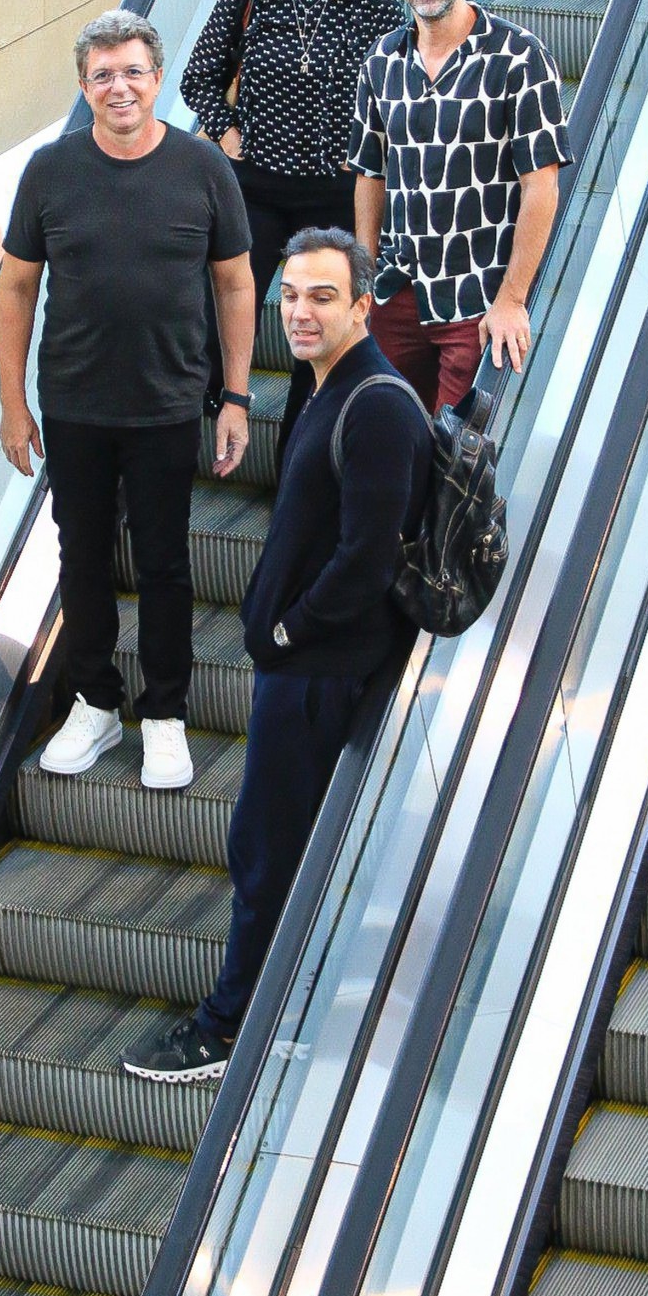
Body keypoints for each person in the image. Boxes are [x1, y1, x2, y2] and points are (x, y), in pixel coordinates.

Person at [120, 227, 431, 1079]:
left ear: (363, 305)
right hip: (302, 667)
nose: (298, 311)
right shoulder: (326, 385)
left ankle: (229, 1028)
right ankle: (264, 1005)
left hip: (320, 672)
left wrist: (289, 629)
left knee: (265, 848)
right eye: (290, 294)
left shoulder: (376, 405)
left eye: (323, 296)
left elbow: (366, 559)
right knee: (272, 845)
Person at [0, 9, 256, 793]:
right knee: (80, 556)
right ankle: (95, 702)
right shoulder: (50, 170)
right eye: (103, 74)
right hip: (74, 403)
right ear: (85, 85)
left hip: (168, 403)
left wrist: (236, 396)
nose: (119, 87)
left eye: (133, 71)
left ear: (157, 79)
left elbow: (236, 281)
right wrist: (13, 406)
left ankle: (165, 714)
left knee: (165, 562)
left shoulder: (203, 169)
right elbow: (15, 285)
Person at [181, 0, 402, 460]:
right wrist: (227, 133)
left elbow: (398, 98)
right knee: (223, 306)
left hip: (335, 193)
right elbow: (197, 75)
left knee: (322, 334)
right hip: (254, 189)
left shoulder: (374, 2)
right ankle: (202, 425)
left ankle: (301, 458)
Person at [349, 0, 572, 415]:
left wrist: (513, 299)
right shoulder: (382, 60)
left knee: (453, 461)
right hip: (396, 290)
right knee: (382, 437)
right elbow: (369, 175)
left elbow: (542, 186)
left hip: (478, 297)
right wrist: (363, 279)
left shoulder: (518, 57)